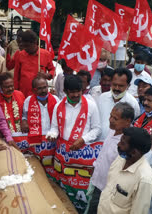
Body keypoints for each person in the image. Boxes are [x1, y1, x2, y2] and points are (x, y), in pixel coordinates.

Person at [46, 75, 101, 211]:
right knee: (64, 184)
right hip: (63, 153)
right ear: (65, 91)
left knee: (79, 186)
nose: (76, 95)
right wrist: (52, 134)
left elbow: (97, 129)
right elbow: (54, 127)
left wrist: (83, 139)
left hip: (82, 156)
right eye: (72, 92)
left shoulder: (91, 105)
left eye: (79, 91)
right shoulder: (59, 105)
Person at [86, 103, 135, 214]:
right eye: (110, 116)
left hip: (109, 192)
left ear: (128, 121)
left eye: (115, 118)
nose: (110, 120)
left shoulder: (128, 143)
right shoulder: (113, 130)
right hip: (97, 184)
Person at [97, 127, 152, 214]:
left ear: (134, 152)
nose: (118, 144)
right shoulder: (120, 159)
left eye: (123, 143)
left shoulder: (144, 179)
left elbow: (139, 211)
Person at [20, 76, 59, 164]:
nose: (43, 91)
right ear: (34, 90)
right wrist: (24, 121)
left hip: (52, 139)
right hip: (36, 141)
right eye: (40, 88)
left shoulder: (56, 100)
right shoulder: (28, 100)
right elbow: (24, 116)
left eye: (45, 87)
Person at [98, 68, 140, 140]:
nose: (116, 88)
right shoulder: (102, 97)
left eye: (121, 86)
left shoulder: (133, 103)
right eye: (114, 84)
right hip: (98, 142)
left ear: (128, 86)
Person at [14, 30, 55, 97]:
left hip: (39, 93)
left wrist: (47, 75)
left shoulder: (45, 54)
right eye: (24, 46)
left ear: (35, 43)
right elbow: (16, 76)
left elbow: (52, 70)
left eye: (27, 46)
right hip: (23, 93)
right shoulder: (20, 54)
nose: (25, 48)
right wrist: (16, 92)